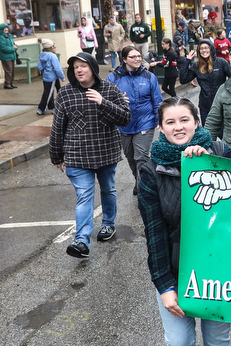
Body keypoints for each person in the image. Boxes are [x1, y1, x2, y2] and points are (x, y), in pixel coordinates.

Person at [137, 97, 231, 346]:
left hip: (217, 272)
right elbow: (154, 233)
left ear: (197, 121)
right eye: (171, 122)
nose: (179, 127)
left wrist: (211, 165)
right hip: (175, 272)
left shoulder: (221, 153)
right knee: (179, 342)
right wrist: (165, 286)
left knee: (218, 343)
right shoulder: (150, 170)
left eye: (185, 120)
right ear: (161, 128)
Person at [49, 52, 131, 258]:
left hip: (105, 152)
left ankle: (108, 224)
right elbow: (57, 127)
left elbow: (125, 119)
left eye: (82, 66)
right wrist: (56, 157)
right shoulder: (66, 94)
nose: (78, 70)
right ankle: (81, 241)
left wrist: (103, 102)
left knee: (108, 189)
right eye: (75, 67)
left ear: (93, 68)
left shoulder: (110, 90)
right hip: (77, 156)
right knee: (84, 195)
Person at [108, 45, 163, 195]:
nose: (137, 59)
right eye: (133, 57)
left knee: (141, 156)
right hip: (123, 125)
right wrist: (116, 100)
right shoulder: (113, 78)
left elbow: (157, 101)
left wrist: (160, 121)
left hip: (145, 122)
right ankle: (138, 180)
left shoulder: (149, 77)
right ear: (124, 59)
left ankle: (145, 187)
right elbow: (105, 101)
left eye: (139, 56)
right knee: (131, 157)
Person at [180, 39, 231, 126]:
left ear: (211, 49)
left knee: (224, 134)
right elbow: (183, 80)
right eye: (201, 48)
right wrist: (187, 61)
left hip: (221, 104)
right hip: (205, 105)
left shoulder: (221, 62)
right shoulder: (197, 66)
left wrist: (227, 92)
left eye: (206, 48)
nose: (204, 50)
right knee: (208, 134)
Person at [37, 39, 64, 115]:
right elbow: (57, 68)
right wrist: (62, 76)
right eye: (54, 47)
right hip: (53, 77)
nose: (55, 48)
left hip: (46, 76)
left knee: (51, 91)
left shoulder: (42, 55)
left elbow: (39, 66)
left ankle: (53, 107)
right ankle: (41, 108)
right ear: (51, 47)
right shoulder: (53, 56)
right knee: (48, 93)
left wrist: (45, 69)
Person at [0, 23, 17, 90]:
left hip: (12, 55)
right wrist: (13, 48)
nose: (6, 29)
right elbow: (3, 48)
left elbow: (13, 44)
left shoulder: (9, 36)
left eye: (7, 28)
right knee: (8, 71)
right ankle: (7, 84)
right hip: (5, 57)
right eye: (4, 29)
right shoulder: (0, 38)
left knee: (12, 70)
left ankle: (11, 83)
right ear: (1, 30)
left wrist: (15, 46)